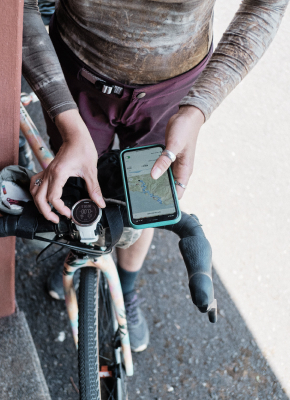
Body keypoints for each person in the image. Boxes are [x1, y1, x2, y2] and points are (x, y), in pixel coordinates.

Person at [22, 0, 289, 352]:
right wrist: (65, 118)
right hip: (76, 76)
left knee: (146, 200)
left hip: (172, 89)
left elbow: (267, 5)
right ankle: (79, 249)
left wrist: (197, 108)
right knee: (78, 186)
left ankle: (128, 289)